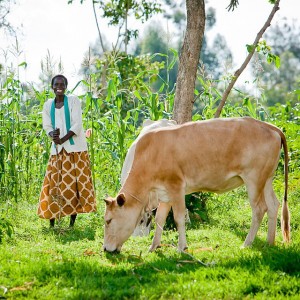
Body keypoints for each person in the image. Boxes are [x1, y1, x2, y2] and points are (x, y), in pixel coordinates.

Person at [37, 74, 96, 227]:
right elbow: (47, 125)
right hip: (56, 151)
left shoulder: (73, 101)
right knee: (54, 185)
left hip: (75, 150)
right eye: (56, 84)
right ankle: (52, 222)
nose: (59, 87)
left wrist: (62, 139)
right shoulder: (47, 105)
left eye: (62, 84)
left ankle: (71, 224)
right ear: (52, 87)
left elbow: (77, 124)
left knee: (73, 186)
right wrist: (52, 135)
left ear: (66, 86)